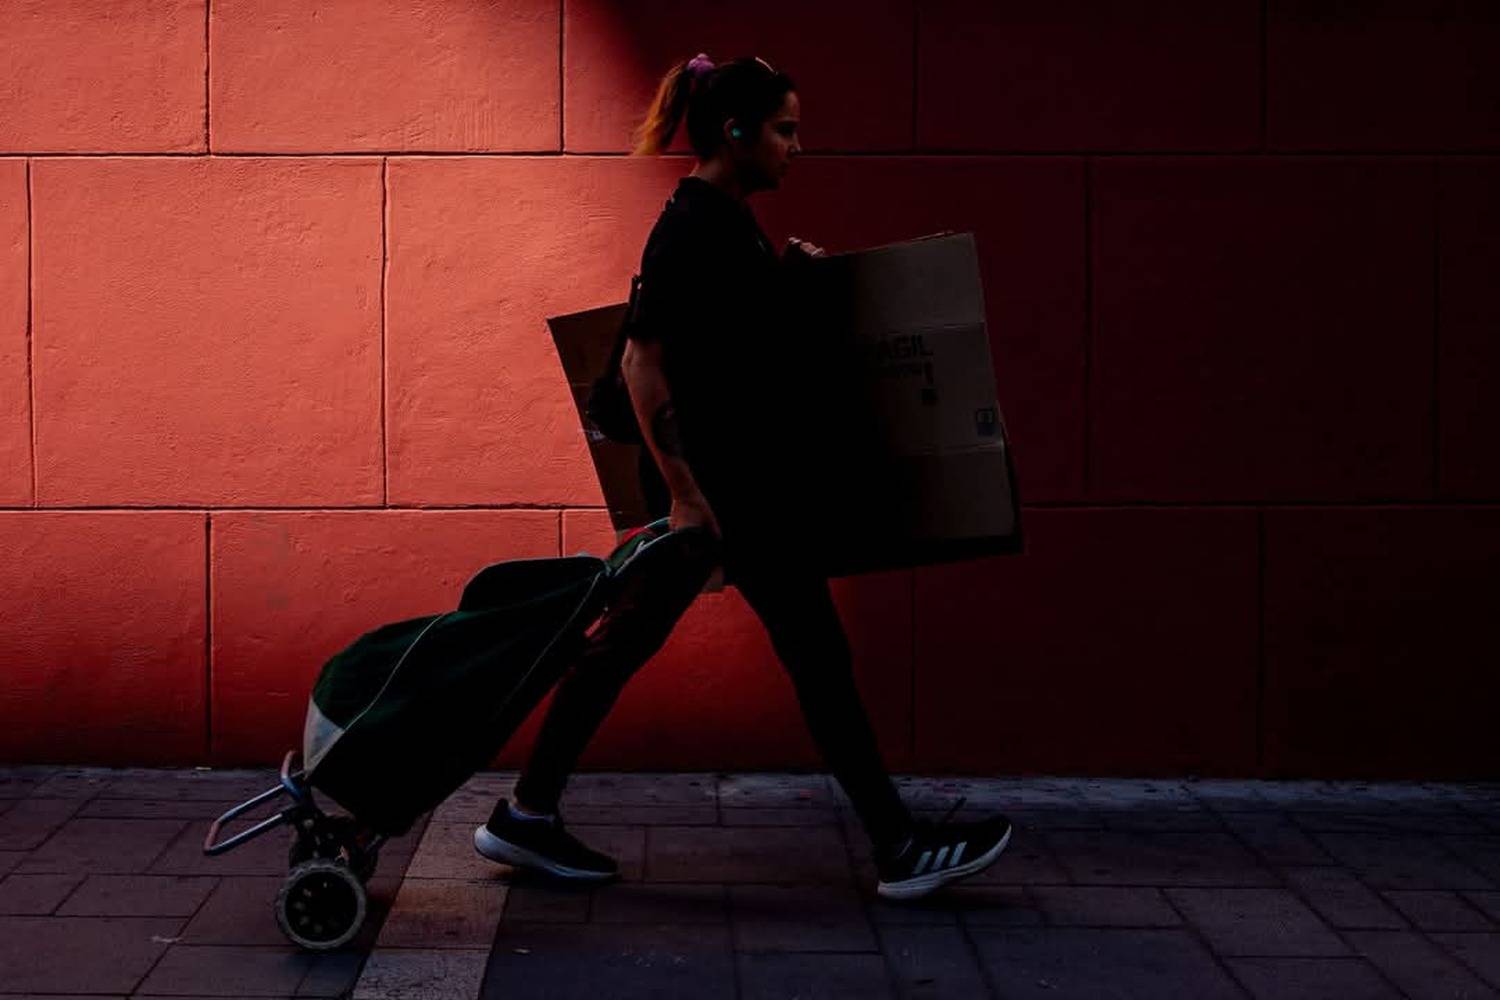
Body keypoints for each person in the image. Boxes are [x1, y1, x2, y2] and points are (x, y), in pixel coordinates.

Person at [473, 52, 1012, 901]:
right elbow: (644, 364)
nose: (797, 147)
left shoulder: (725, 225)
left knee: (636, 644)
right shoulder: (691, 228)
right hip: (724, 500)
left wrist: (781, 280)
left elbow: (721, 338)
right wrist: (688, 499)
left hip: (734, 494)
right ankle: (898, 847)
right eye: (785, 130)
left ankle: (528, 814)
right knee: (812, 658)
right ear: (736, 132)